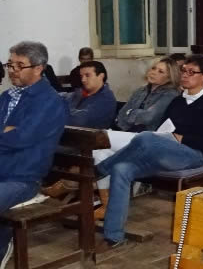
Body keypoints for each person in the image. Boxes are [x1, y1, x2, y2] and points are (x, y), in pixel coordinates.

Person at [96, 55, 203, 249]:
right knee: (121, 169)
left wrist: (182, 138)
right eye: (183, 71)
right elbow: (164, 128)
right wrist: (167, 137)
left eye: (191, 72)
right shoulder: (178, 101)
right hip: (165, 151)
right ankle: (113, 235)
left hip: (194, 154)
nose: (185, 75)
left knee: (145, 138)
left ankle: (100, 170)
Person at [45, 58, 181, 215]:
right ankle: (105, 204)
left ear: (170, 77)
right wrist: (133, 114)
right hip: (125, 134)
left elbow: (148, 118)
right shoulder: (141, 91)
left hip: (147, 139)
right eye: (153, 68)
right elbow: (121, 115)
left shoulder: (170, 95)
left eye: (160, 71)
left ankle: (66, 186)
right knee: (99, 154)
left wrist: (131, 113)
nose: (153, 72)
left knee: (97, 151)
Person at [0, 42, 68, 269]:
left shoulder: (50, 102)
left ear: (39, 68)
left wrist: (11, 133)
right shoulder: (7, 97)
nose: (12, 70)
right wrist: (7, 132)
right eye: (10, 64)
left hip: (23, 178)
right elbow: (11, 136)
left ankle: (2, 246)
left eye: (20, 65)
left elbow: (22, 138)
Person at [63, 60, 117, 129]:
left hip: (87, 135)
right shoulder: (79, 92)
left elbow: (79, 120)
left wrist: (56, 111)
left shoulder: (107, 99)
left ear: (101, 76)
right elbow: (59, 99)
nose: (83, 80)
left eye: (87, 75)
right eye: (81, 76)